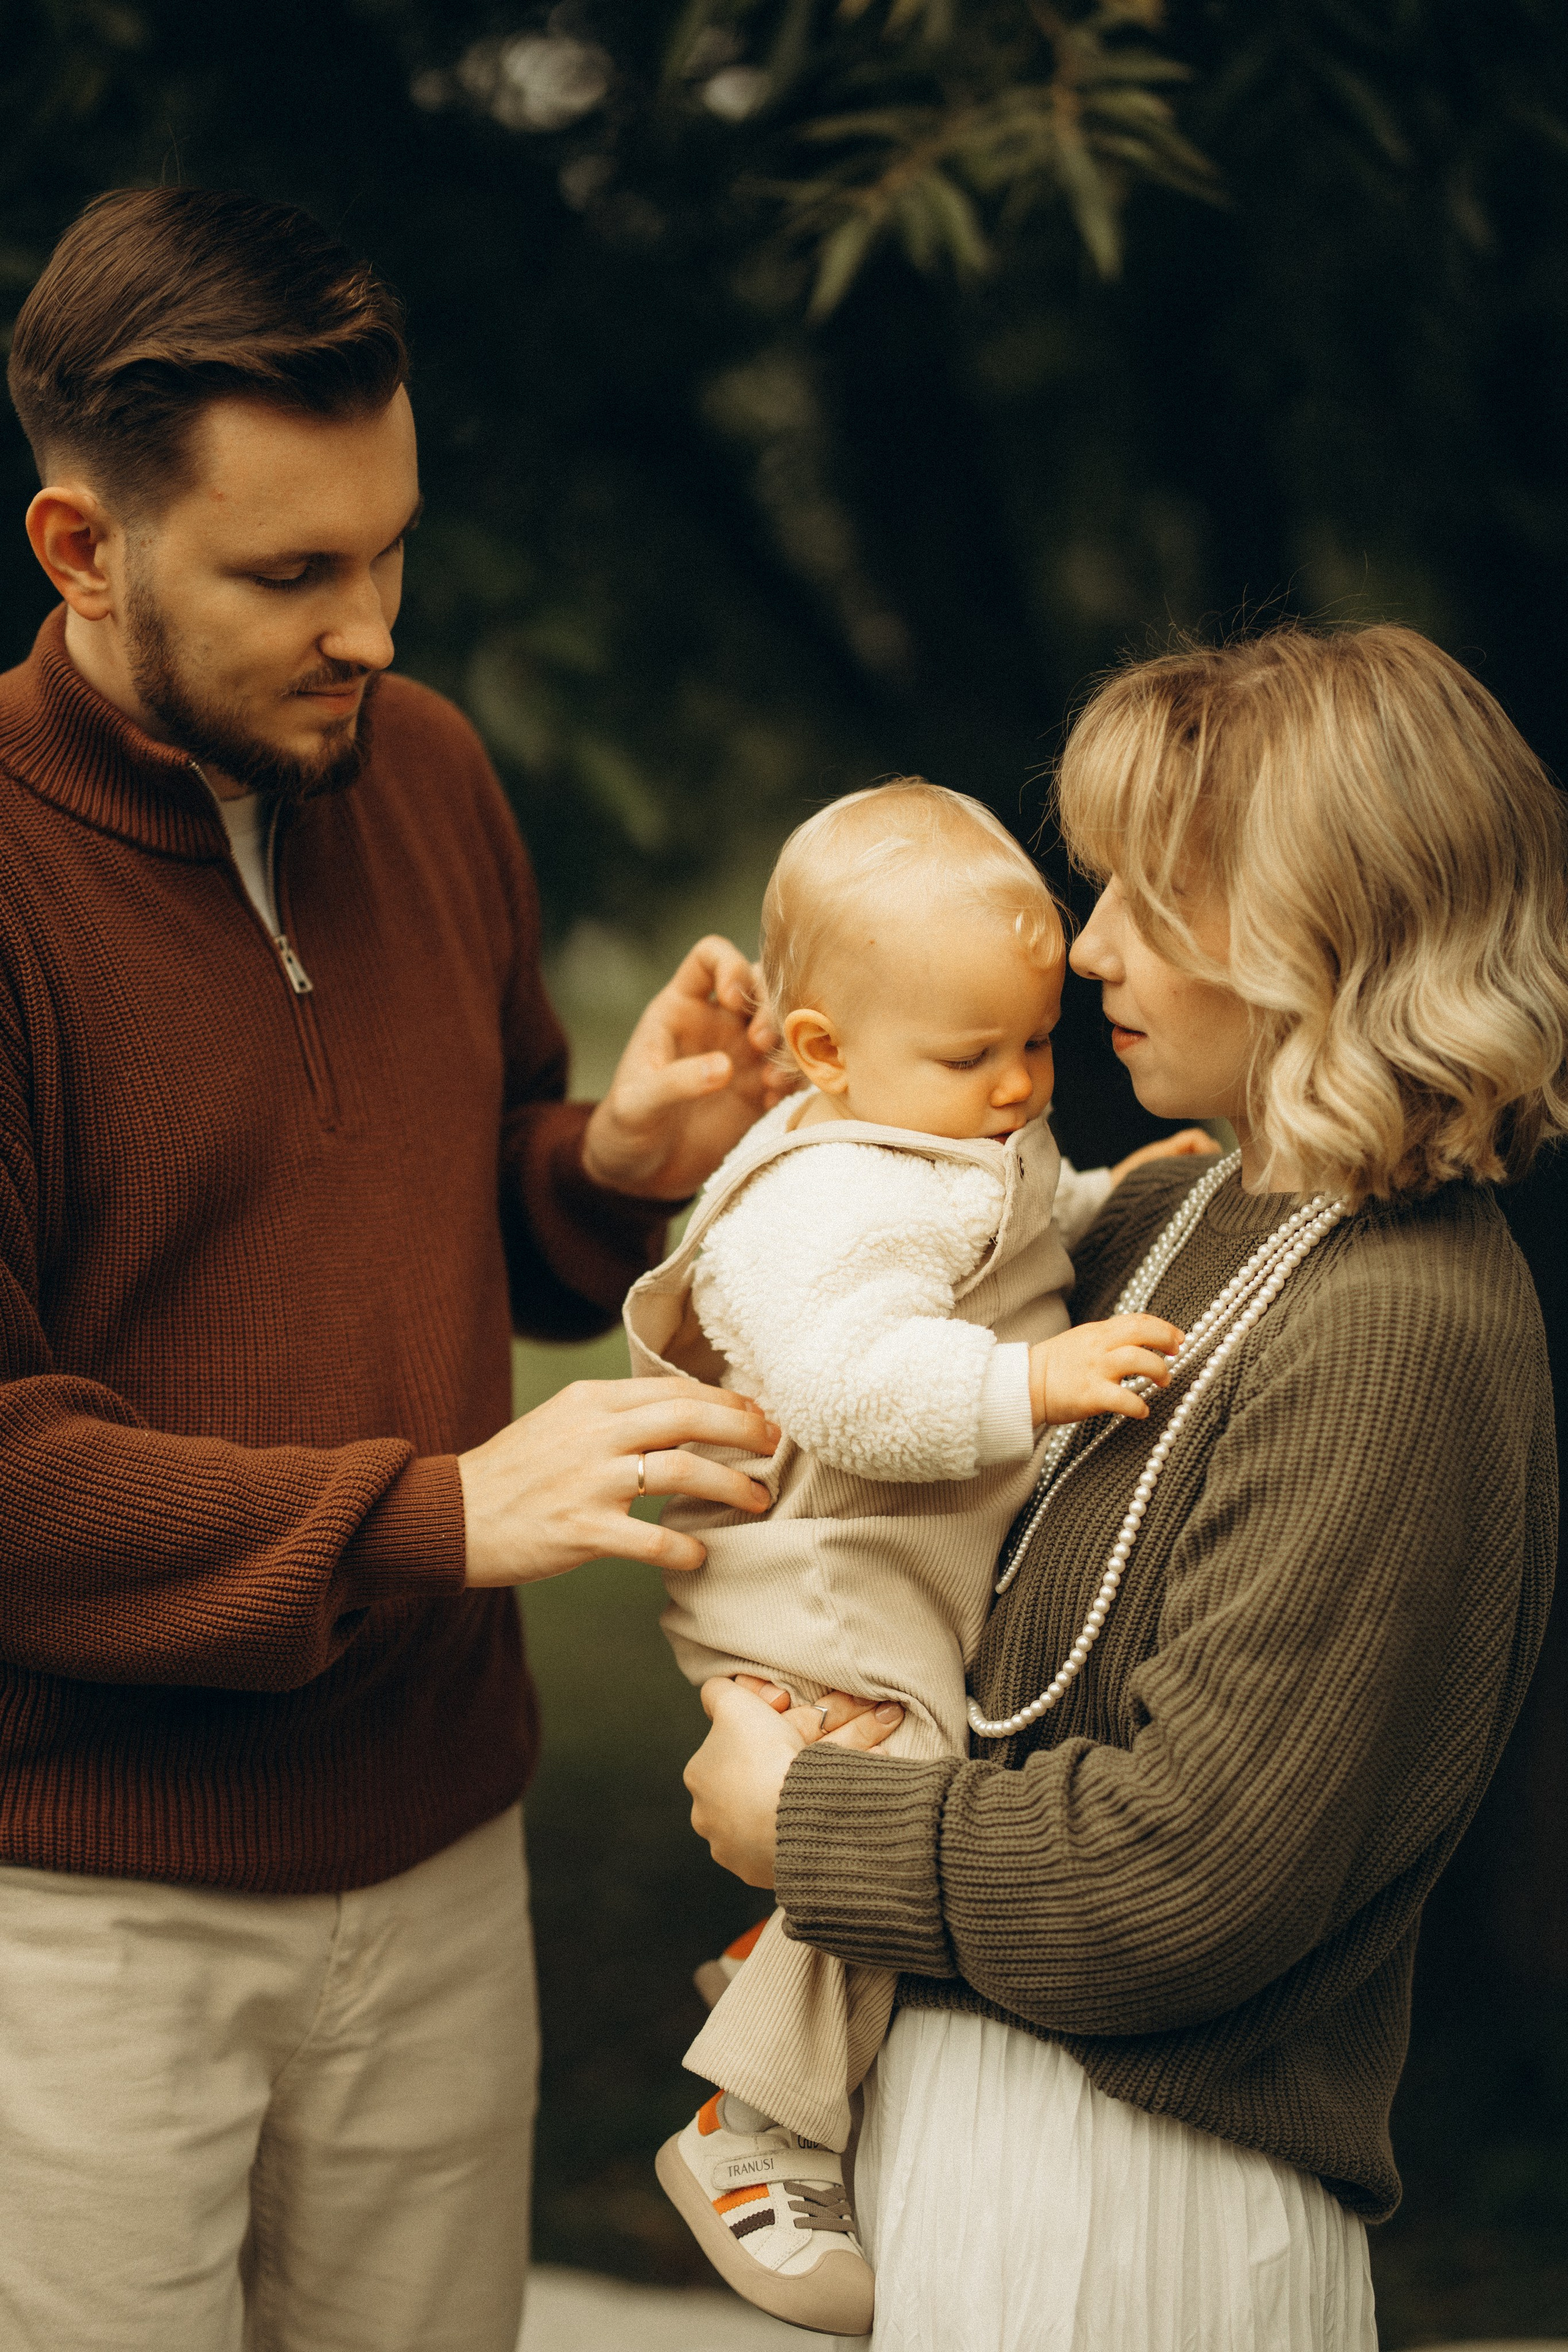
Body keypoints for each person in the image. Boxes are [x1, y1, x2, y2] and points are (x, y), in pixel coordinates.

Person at [0, 186, 790, 2352]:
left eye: (393, 548)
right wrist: (438, 1510)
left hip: (442, 1867)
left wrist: (610, 1160)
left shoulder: (422, 768)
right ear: (83, 551)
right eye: (292, 573)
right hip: (79, 1922)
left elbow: (455, 1193)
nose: (371, 626)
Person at [682, 622, 1566, 2351]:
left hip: (1140, 2203)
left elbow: (1184, 1886)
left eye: (1146, 904)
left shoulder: (1400, 1326)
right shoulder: (1186, 1210)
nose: (1087, 953)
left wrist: (808, 1823)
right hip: (988, 2143)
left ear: (1317, 926)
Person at [625, 780, 1210, 2333]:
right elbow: (843, 1385)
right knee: (880, 1797)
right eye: (977, 1058)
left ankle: (774, 1977)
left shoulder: (928, 1125)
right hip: (819, 1572)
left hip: (878, 1567)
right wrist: (1035, 1382)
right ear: (819, 1053)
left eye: (1036, 1045)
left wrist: (1113, 1195)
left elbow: (1004, 1231)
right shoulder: (826, 1197)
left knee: (871, 1806)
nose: (1021, 1085)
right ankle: (749, 2128)